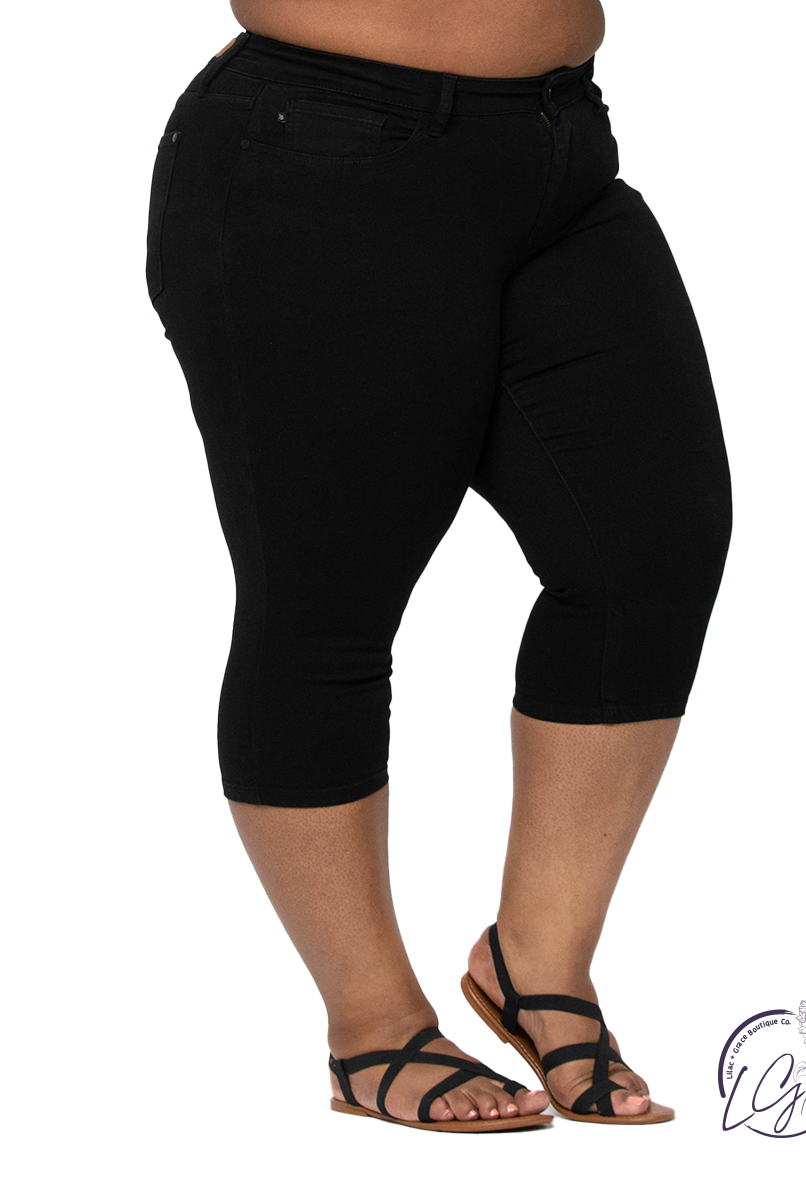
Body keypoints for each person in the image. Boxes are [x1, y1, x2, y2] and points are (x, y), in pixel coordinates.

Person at [144, 0, 732, 1132]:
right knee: (327, 607)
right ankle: (371, 1028)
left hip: (559, 148)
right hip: (320, 148)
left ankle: (535, 962)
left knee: (651, 546)